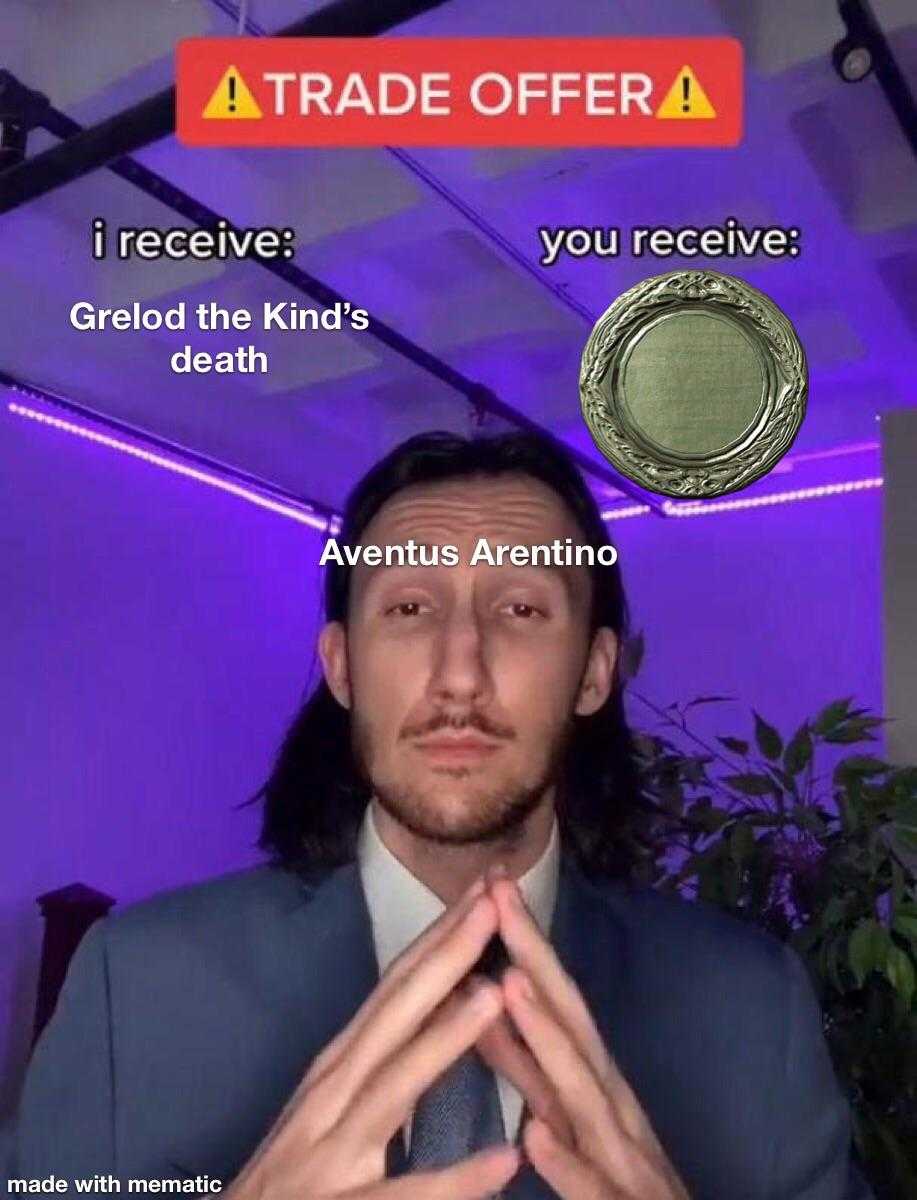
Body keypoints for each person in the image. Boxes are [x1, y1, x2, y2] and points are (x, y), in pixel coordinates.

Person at [3, 431, 872, 1199]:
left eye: (522, 609)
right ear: (341, 667)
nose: (461, 670)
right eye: (409, 608)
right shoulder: (139, 982)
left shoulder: (753, 1008)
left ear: (594, 673)